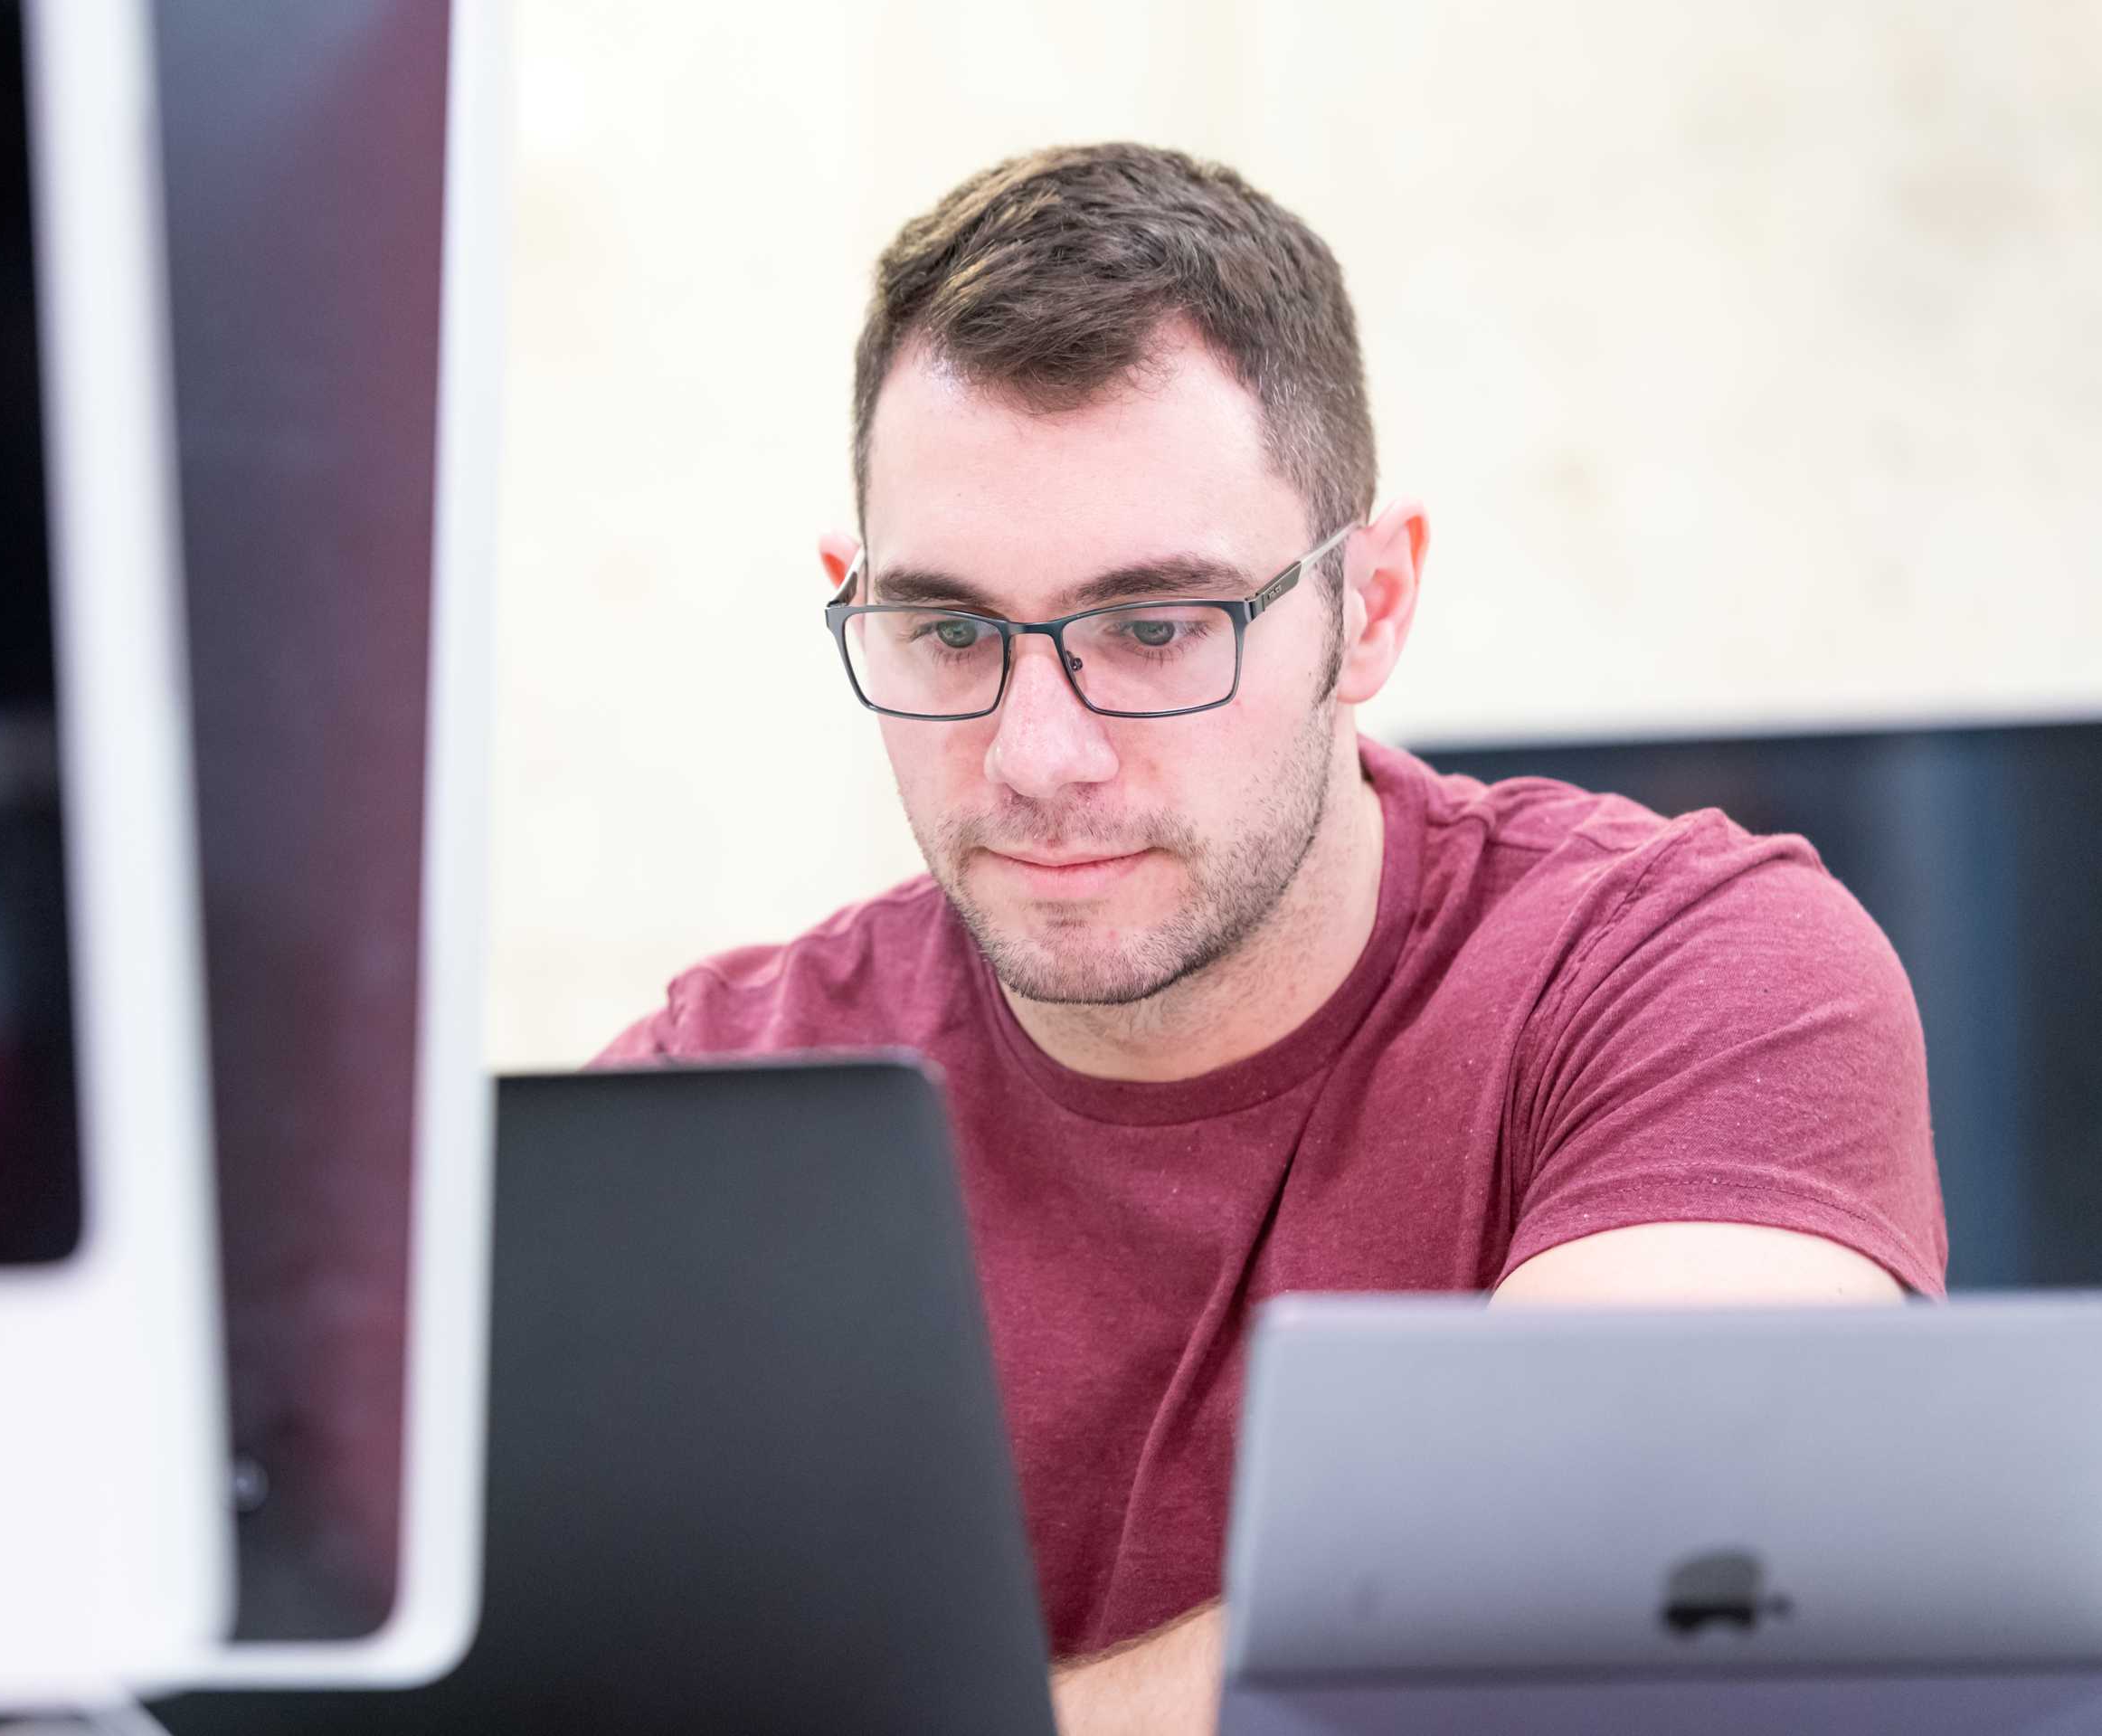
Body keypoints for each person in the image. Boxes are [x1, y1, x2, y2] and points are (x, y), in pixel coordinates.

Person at [596, 143, 1946, 1735]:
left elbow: (1630, 1587)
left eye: (1155, 628)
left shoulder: (1689, 973)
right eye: (950, 631)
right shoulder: (709, 1100)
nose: (1039, 752)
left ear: (1369, 608)